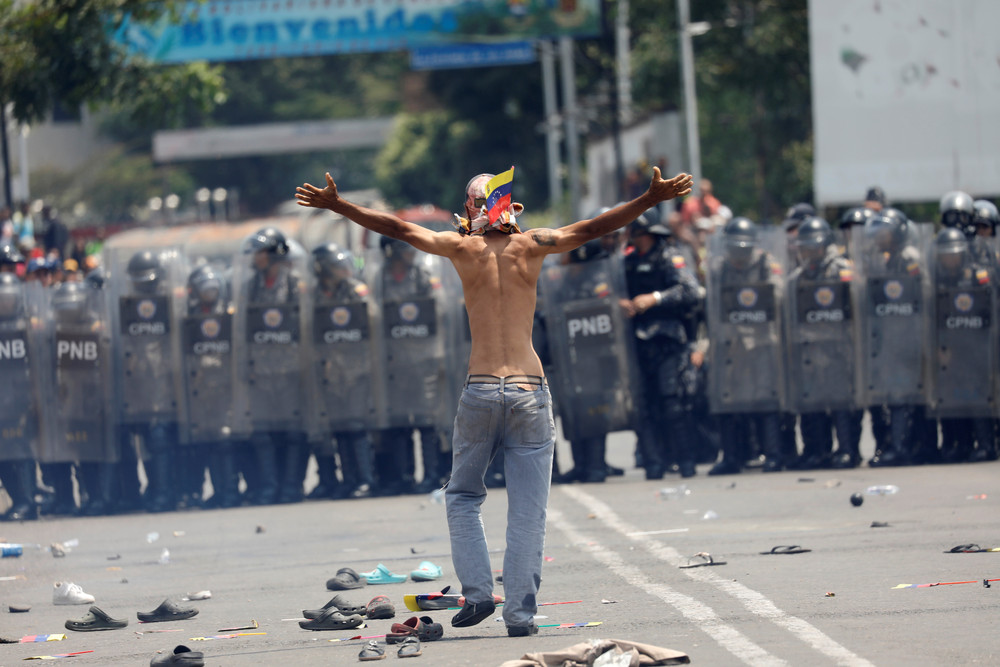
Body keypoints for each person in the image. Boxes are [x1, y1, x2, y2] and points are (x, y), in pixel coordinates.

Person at [296, 167, 693, 637]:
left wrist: (337, 206)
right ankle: (520, 616)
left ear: (470, 209)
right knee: (529, 512)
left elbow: (398, 228)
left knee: (463, 496)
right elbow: (593, 228)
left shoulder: (462, 248)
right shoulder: (533, 245)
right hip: (529, 390)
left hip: (482, 388)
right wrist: (648, 199)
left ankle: (480, 593)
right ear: (513, 207)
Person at [622, 212, 703, 479]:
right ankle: (654, 464)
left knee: (673, 404)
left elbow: (690, 290)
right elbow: (610, 290)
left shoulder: (670, 258)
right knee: (645, 407)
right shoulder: (628, 263)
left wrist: (655, 298)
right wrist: (620, 303)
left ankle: (686, 460)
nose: (639, 239)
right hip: (637, 343)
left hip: (668, 339)